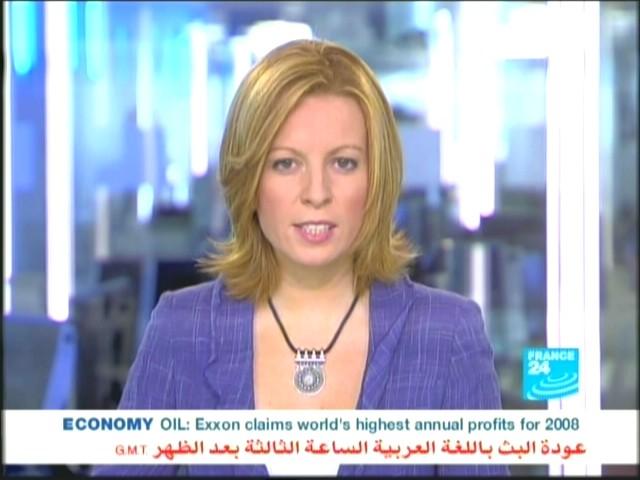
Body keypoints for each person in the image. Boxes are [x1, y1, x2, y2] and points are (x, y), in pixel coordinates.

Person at [93, 38, 508, 476]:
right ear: (249, 180)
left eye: (343, 163)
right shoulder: (182, 329)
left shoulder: (448, 334)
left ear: (377, 179)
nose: (316, 193)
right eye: (286, 164)